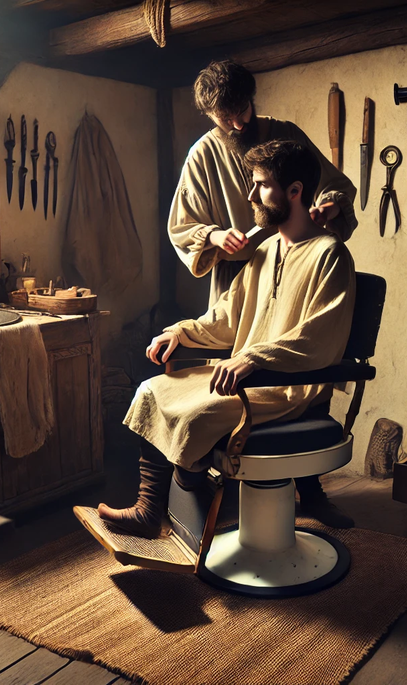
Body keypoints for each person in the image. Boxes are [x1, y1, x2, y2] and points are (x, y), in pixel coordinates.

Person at [99, 140, 356, 538]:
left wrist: (255, 358)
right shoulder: (266, 249)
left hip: (286, 388)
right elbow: (226, 316)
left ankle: (196, 501)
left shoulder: (330, 254)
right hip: (241, 376)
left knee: (193, 413)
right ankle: (150, 509)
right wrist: (179, 332)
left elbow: (318, 337)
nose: (251, 195)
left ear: (295, 191)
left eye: (262, 185)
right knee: (152, 389)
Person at [165, 59, 359, 528]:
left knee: (298, 366)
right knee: (235, 367)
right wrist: (213, 237)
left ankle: (308, 489)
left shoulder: (285, 135)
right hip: (243, 275)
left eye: (243, 108)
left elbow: (330, 183)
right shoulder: (202, 155)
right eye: (225, 116)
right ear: (210, 114)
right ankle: (224, 496)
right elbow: (182, 225)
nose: (239, 122)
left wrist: (329, 203)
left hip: (302, 260)